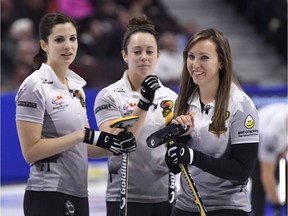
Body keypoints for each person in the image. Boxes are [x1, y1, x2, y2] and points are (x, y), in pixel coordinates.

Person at [15, 12, 136, 216]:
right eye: (59, 40)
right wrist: (81, 135)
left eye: (72, 38)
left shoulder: (76, 88)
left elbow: (84, 147)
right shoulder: (34, 86)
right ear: (44, 45)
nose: (68, 46)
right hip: (48, 195)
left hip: (79, 193)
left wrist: (113, 146)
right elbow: (30, 152)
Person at [164, 28, 259, 216]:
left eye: (204, 57)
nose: (195, 64)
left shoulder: (241, 104)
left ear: (222, 62)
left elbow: (241, 171)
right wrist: (180, 141)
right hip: (186, 206)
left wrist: (193, 157)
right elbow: (174, 166)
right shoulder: (182, 101)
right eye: (191, 56)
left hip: (228, 208)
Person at [94, 14, 178, 216]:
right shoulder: (109, 95)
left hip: (165, 195)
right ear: (125, 55)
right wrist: (143, 103)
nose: (144, 57)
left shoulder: (171, 97)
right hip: (125, 197)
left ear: (158, 55)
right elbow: (111, 142)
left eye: (150, 51)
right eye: (137, 51)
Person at [251, 103, 288, 216]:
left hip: (272, 130)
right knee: (260, 182)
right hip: (255, 142)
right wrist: (276, 205)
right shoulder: (272, 134)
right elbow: (266, 175)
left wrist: (283, 149)